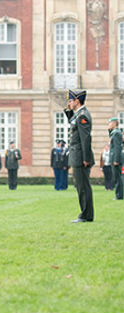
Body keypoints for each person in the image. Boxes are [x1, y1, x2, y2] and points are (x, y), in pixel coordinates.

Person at [65, 89, 94, 223]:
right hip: (78, 155)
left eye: (70, 100)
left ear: (77, 101)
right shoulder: (78, 115)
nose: (69, 103)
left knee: (83, 187)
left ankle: (86, 215)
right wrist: (68, 109)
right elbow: (72, 122)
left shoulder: (82, 116)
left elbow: (85, 139)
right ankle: (86, 214)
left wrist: (86, 158)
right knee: (81, 187)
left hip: (80, 156)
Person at [108, 117, 124, 200]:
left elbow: (117, 147)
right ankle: (119, 194)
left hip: (116, 158)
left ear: (114, 124)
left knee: (117, 177)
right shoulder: (114, 132)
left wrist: (116, 160)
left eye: (110, 123)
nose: (109, 125)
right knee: (117, 177)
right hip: (114, 157)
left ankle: (119, 195)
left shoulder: (116, 133)